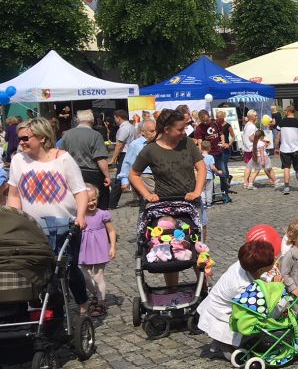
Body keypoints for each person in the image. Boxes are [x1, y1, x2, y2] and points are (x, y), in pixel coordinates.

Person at [7, 117, 90, 311]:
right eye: (20, 138)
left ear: (43, 138)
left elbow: (80, 191)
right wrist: (13, 219)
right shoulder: (18, 160)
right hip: (32, 228)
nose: (21, 142)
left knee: (67, 268)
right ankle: (48, 309)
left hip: (65, 225)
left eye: (26, 138)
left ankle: (82, 304)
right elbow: (14, 194)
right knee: (37, 270)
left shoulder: (63, 159)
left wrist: (80, 216)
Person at [129, 109, 205, 287]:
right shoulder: (151, 150)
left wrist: (197, 190)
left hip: (190, 204)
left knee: (197, 247)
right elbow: (134, 174)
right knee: (170, 246)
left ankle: (203, 288)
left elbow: (201, 168)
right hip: (163, 207)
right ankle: (172, 292)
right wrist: (147, 194)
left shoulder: (187, 143)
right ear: (166, 129)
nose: (183, 132)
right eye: (180, 129)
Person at [197, 240, 278, 360]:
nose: (276, 258)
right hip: (222, 313)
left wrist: (269, 275)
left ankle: (248, 340)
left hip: (223, 303)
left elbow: (259, 276)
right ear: (260, 269)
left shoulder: (244, 265)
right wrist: (275, 286)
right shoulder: (241, 285)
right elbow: (257, 303)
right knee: (234, 352)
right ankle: (226, 343)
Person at [61, 109, 112, 209]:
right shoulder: (96, 135)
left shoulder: (66, 134)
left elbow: (61, 155)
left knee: (76, 202)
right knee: (97, 202)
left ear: (78, 120)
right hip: (92, 173)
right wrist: (107, 176)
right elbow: (100, 158)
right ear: (92, 121)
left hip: (72, 172)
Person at [78, 184, 116, 317]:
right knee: (85, 276)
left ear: (97, 198)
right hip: (83, 249)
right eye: (87, 201)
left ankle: (101, 301)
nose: (91, 203)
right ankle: (95, 293)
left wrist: (112, 247)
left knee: (99, 276)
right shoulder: (79, 215)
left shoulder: (103, 214)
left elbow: (111, 230)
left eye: (93, 199)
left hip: (99, 248)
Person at [274, 106, 298, 194]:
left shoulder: (282, 122)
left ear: (289, 111)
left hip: (284, 149)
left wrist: (276, 148)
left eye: (285, 111)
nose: (285, 112)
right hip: (296, 149)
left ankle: (286, 187)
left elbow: (277, 137)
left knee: (286, 167)